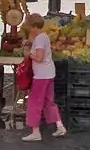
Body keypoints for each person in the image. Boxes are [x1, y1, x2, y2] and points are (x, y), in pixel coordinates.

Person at [22, 14, 66, 142]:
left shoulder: (40, 39)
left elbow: (39, 58)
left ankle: (35, 132)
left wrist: (29, 54)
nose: (29, 30)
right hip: (49, 73)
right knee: (48, 101)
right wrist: (30, 43)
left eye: (30, 27)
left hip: (41, 76)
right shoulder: (43, 36)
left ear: (34, 26)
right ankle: (60, 126)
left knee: (34, 102)